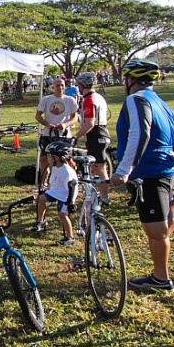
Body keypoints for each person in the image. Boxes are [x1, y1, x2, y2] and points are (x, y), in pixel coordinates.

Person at [110, 59, 174, 292]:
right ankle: (160, 277)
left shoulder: (136, 99)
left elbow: (139, 133)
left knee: (157, 229)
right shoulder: (164, 105)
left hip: (149, 171)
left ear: (130, 80)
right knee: (156, 230)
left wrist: (124, 170)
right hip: (160, 169)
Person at [73, 73, 111, 203]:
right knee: (97, 167)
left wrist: (75, 137)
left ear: (82, 85)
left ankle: (104, 197)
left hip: (96, 135)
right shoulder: (98, 97)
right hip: (102, 132)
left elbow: (89, 123)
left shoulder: (89, 100)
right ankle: (101, 195)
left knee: (99, 167)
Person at [30, 141, 79, 244]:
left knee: (62, 214)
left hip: (66, 195)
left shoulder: (67, 171)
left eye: (49, 156)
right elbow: (54, 183)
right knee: (42, 199)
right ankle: (41, 221)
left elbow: (72, 188)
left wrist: (71, 202)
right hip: (56, 191)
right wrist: (46, 190)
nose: (47, 158)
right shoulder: (56, 168)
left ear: (56, 158)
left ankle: (70, 237)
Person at [35, 78, 79, 189]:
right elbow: (38, 116)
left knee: (67, 159)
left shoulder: (70, 100)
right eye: (57, 85)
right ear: (53, 87)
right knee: (44, 159)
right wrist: (48, 124)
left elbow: (75, 118)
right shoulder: (46, 99)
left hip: (64, 135)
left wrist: (65, 125)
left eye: (62, 85)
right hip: (48, 135)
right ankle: (44, 182)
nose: (60, 87)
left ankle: (72, 181)